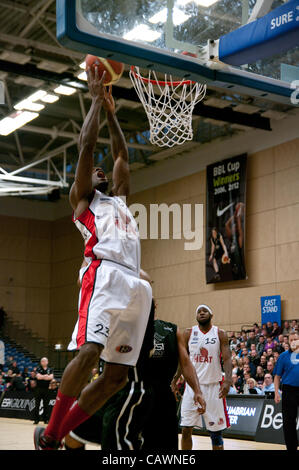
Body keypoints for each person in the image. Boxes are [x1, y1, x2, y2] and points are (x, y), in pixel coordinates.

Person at [34, 71, 152, 450]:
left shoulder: (119, 198)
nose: (101, 169)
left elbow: (120, 154)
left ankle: (55, 434)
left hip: (135, 283)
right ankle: (52, 435)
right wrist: (95, 100)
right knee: (88, 354)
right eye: (94, 171)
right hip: (103, 275)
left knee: (117, 378)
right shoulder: (85, 200)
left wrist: (113, 111)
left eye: (104, 172)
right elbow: (88, 147)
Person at [64, 297, 205, 451]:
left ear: (154, 306)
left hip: (161, 398)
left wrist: (197, 390)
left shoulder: (172, 330)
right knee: (75, 430)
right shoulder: (123, 328)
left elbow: (186, 363)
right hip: (129, 393)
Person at [177, 304, 232, 451]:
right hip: (192, 387)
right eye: (199, 312)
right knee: (186, 430)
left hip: (213, 387)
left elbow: (227, 359)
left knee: (216, 434)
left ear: (211, 315)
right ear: (196, 317)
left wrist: (228, 380)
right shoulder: (189, 333)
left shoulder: (220, 333)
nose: (201, 313)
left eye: (205, 311)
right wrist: (176, 377)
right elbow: (182, 359)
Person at [274, 332, 299, 451]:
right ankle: (291, 447)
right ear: (288, 342)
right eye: (292, 339)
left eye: (296, 339)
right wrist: (276, 392)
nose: (294, 341)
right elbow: (277, 376)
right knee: (289, 422)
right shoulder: (283, 356)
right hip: (289, 391)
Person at [33, 358, 54, 425]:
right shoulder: (38, 369)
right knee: (37, 405)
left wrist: (43, 376)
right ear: (41, 362)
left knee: (46, 405)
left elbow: (51, 377)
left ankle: (46, 419)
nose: (43, 362)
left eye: (45, 361)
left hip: (46, 389)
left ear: (47, 362)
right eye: (42, 361)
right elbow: (38, 377)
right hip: (38, 389)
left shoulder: (50, 369)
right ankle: (36, 419)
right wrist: (45, 376)